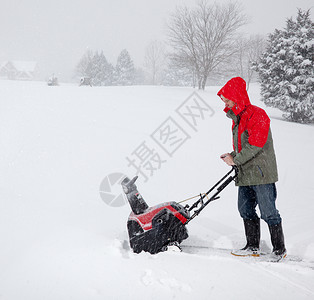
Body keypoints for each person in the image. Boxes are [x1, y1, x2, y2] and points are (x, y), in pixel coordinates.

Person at [217, 77, 286, 260]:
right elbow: (245, 146)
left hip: (262, 173)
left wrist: (236, 159)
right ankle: (252, 246)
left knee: (268, 212)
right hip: (245, 172)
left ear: (237, 96)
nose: (225, 102)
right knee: (245, 209)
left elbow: (256, 145)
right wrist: (232, 155)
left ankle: (279, 250)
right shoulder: (237, 118)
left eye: (227, 98)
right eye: (223, 99)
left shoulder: (257, 114)